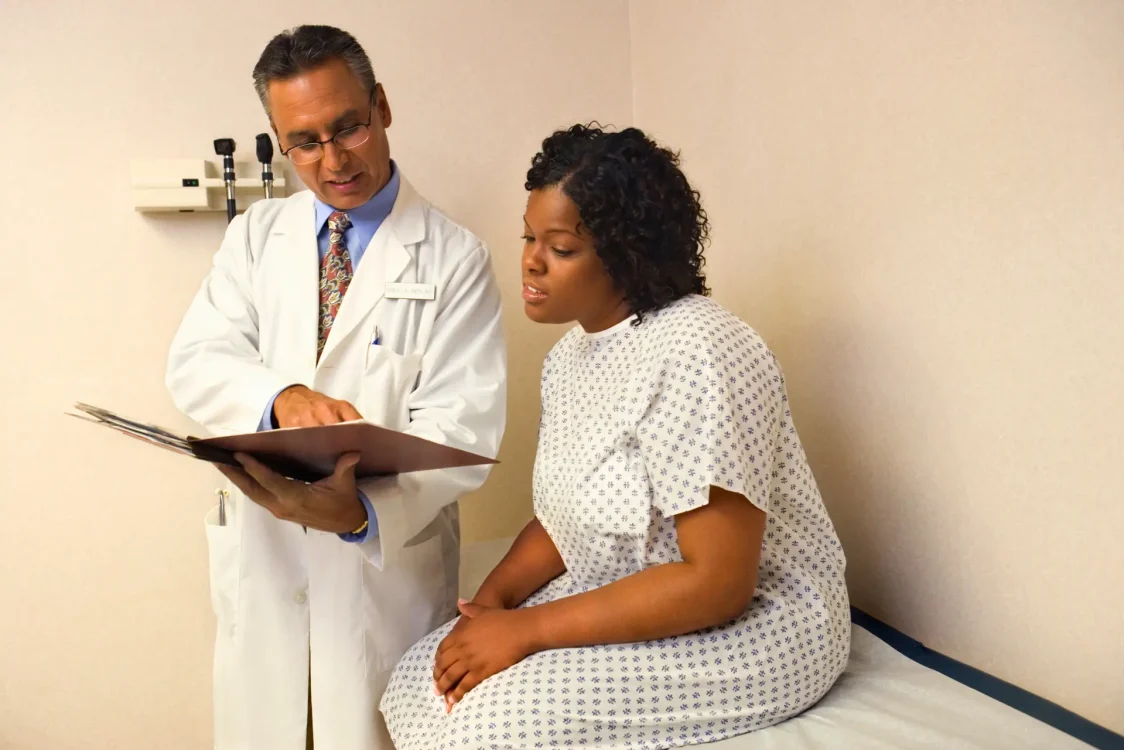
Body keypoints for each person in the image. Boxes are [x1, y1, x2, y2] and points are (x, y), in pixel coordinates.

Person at [379, 124, 850, 748]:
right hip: (629, 586)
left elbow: (717, 581)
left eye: (562, 247)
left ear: (627, 254)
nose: (530, 260)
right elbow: (564, 518)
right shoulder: (570, 358)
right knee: (422, 677)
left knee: (482, 726)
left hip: (757, 624)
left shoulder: (701, 350)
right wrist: (488, 610)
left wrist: (529, 631)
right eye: (528, 237)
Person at [165, 25, 506, 750]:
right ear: (280, 143)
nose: (333, 159)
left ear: (381, 106)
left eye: (347, 126)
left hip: (381, 578)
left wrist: (357, 513)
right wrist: (279, 398)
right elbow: (197, 360)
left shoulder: (454, 257)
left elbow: (464, 431)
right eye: (305, 141)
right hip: (266, 561)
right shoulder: (256, 237)